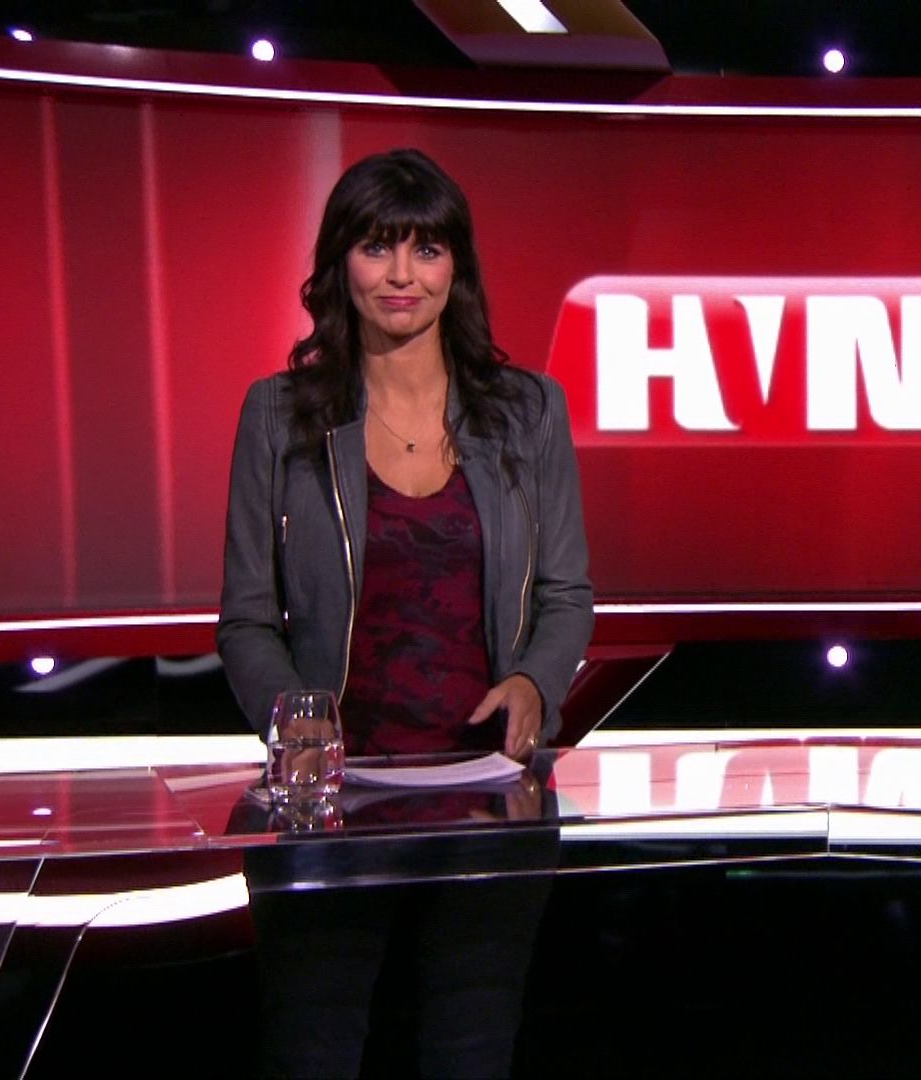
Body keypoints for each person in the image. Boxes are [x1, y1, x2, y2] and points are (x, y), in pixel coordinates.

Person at [218, 147, 593, 1077]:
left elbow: (566, 594)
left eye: (426, 250)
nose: (401, 275)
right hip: (329, 806)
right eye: (377, 247)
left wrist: (535, 684)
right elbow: (247, 619)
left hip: (488, 799)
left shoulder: (527, 412)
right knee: (314, 1053)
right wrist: (293, 720)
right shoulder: (280, 416)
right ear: (339, 262)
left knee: (470, 1055)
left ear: (456, 268)